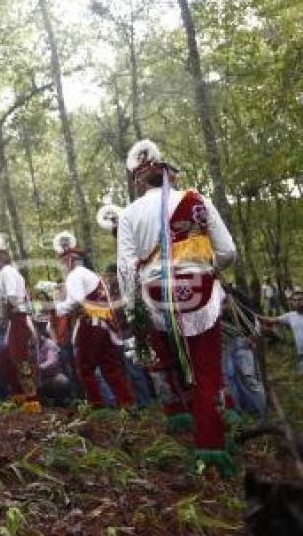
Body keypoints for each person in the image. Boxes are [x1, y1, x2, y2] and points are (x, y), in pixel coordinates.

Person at [118, 139, 237, 476]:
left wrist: (133, 314)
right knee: (207, 373)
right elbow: (228, 251)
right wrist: (211, 270)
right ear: (163, 170)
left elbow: (127, 270)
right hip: (200, 297)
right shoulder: (195, 200)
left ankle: (181, 421)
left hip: (155, 300)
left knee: (168, 364)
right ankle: (211, 448)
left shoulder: (129, 214)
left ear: (138, 179)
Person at [54, 232, 135, 411]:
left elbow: (76, 300)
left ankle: (97, 406)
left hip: (90, 323)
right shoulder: (92, 274)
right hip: (105, 325)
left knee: (84, 367)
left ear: (69, 260)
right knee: (110, 367)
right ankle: (127, 404)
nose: (62, 266)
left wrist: (58, 307)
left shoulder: (75, 275)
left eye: (62, 262)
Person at [0, 233, 38, 408]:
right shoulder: (5, 273)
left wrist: (5, 313)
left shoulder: (8, 271)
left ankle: (31, 399)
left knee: (19, 358)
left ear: (4, 256)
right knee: (4, 358)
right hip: (12, 320)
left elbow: (13, 298)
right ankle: (18, 396)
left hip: (17, 317)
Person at [263, 289, 303, 375]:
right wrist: (253, 315)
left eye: (300, 299)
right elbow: (272, 320)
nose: (297, 302)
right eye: (295, 300)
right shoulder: (290, 316)